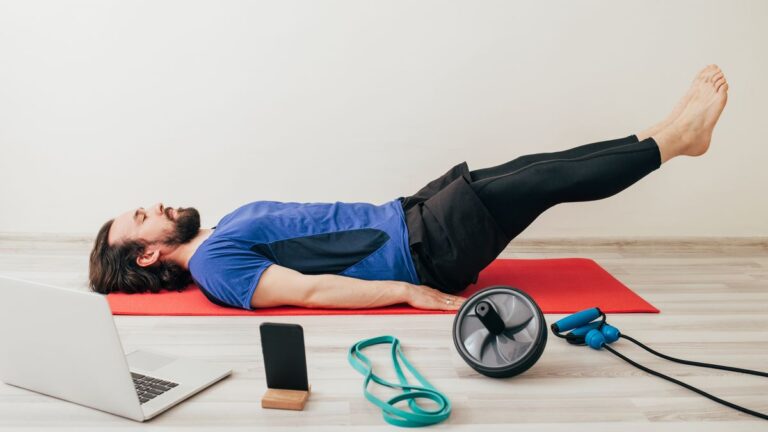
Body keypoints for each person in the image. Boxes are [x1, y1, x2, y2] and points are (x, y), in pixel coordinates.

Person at [89, 65, 729, 312]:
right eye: (143, 216)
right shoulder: (217, 267)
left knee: (538, 168)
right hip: (423, 248)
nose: (158, 204)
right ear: (146, 253)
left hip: (410, 216)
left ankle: (667, 133)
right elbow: (311, 291)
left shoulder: (214, 239)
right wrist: (407, 294)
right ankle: (678, 140)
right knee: (544, 178)